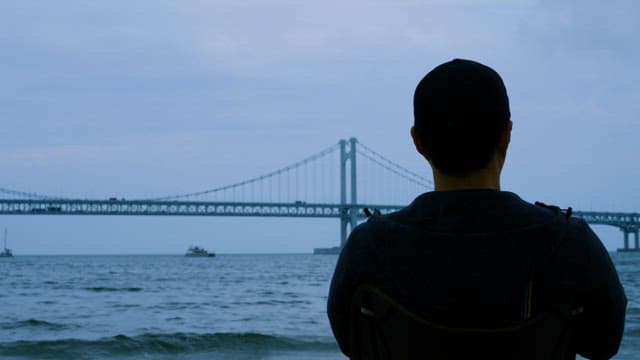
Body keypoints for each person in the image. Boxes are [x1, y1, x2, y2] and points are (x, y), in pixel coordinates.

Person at [327, 59, 627, 359]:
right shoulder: (572, 242)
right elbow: (602, 345)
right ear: (506, 134)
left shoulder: (366, 247)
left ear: (417, 141)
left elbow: (356, 343)